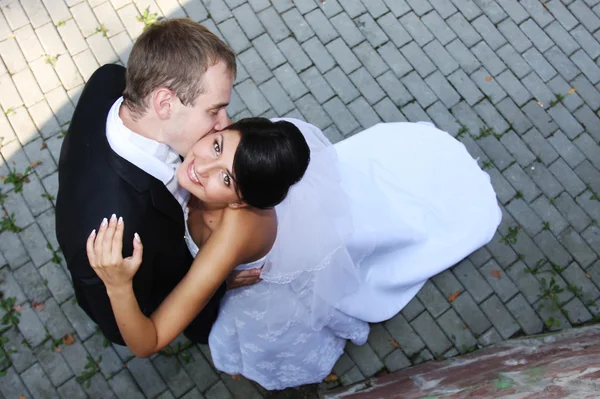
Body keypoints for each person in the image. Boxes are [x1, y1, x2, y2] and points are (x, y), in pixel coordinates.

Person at [86, 117, 502, 389]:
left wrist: (118, 284)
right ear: (220, 127)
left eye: (226, 178)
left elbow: (149, 340)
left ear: (239, 202)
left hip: (263, 271)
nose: (202, 168)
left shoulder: (231, 234)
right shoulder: (215, 153)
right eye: (216, 147)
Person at [55, 18, 260, 346]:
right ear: (164, 104)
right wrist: (210, 282)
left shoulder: (109, 78)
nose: (225, 123)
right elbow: (122, 328)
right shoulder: (112, 230)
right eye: (213, 111)